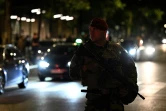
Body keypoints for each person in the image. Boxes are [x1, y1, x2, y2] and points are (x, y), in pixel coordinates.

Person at [69, 18, 139, 111]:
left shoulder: (116, 49)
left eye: (96, 30)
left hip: (114, 102)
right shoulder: (84, 50)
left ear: (104, 32)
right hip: (94, 103)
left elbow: (130, 68)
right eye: (91, 29)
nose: (92, 32)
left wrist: (127, 87)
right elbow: (72, 73)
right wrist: (85, 69)